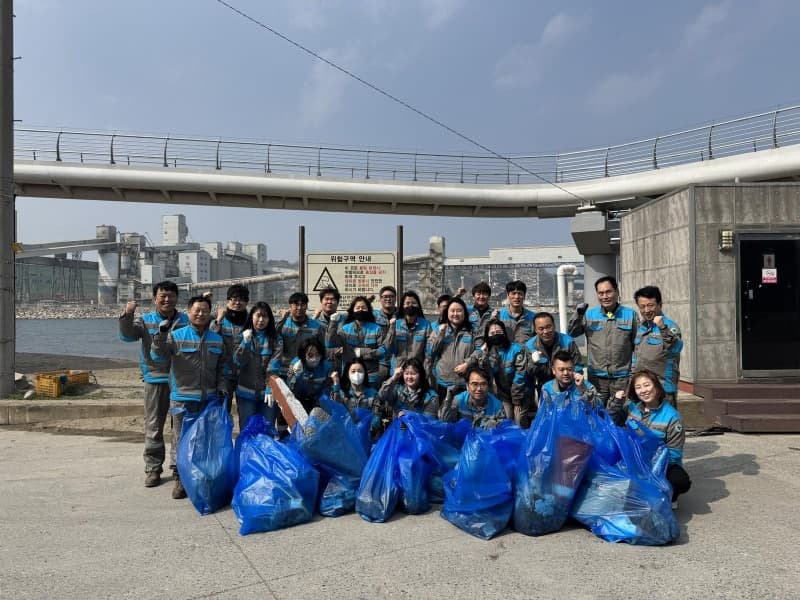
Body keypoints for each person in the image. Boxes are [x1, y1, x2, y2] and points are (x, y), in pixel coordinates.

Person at [151, 295, 225, 500]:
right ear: (189, 312)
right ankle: (179, 479)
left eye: (204, 310)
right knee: (180, 440)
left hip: (208, 399)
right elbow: (158, 356)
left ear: (210, 313)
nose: (200, 314)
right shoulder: (176, 336)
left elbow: (221, 369)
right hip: (182, 399)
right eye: (196, 310)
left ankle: (200, 478)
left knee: (203, 440)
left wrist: (222, 388)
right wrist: (160, 335)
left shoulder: (216, 339)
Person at [119, 280, 189, 488]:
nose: (167, 299)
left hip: (180, 381)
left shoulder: (186, 320)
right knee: (154, 426)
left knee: (180, 429)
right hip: (155, 379)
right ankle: (153, 469)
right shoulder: (146, 320)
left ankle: (178, 470)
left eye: (171, 296)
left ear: (177, 298)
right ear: (155, 299)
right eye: (162, 296)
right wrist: (128, 315)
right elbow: (127, 335)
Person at [608, 369, 692, 505]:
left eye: (647, 385)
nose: (643, 390)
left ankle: (671, 496)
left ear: (657, 387)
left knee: (680, 480)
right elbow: (611, 422)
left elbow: (674, 454)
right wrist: (616, 402)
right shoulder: (631, 408)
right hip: (632, 459)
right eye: (638, 387)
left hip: (660, 465)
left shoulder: (673, 417)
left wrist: (649, 466)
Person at [568, 275, 638, 406]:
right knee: (596, 412)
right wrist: (578, 314)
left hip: (622, 378)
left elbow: (637, 346)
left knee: (620, 413)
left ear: (617, 292)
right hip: (596, 378)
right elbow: (572, 333)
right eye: (601, 293)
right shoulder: (589, 315)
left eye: (608, 292)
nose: (605, 296)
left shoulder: (631, 315)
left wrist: (632, 373)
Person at [232, 302, 283, 430]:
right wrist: (245, 343)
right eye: (258, 316)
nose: (261, 320)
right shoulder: (242, 336)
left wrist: (270, 387)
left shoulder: (276, 339)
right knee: (247, 429)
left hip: (268, 394)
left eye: (265, 317)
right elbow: (238, 361)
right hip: (246, 393)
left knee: (267, 429)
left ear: (269, 319)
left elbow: (274, 365)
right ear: (251, 317)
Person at [632, 286, 683, 406]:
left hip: (663, 390)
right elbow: (636, 357)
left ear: (660, 305)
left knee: (664, 423)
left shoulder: (669, 326)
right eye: (642, 306)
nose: (646, 310)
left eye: (650, 305)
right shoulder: (642, 327)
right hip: (642, 390)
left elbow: (676, 348)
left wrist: (662, 328)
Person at [474, 319, 531, 426]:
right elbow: (485, 373)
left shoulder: (517, 349)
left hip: (521, 394)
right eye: (492, 333)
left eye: (499, 332)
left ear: (504, 333)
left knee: (520, 422)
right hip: (502, 395)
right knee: (506, 421)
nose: (496, 335)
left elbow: (520, 375)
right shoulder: (489, 352)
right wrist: (484, 355)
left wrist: (517, 400)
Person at [327, 296, 387, 386]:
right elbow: (330, 343)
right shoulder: (345, 329)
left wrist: (362, 352)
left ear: (368, 310)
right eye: (357, 308)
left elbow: (383, 351)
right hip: (349, 377)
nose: (360, 310)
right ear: (352, 310)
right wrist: (333, 323)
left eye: (363, 308)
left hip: (371, 379)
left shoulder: (376, 329)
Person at [427, 296, 478, 401]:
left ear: (464, 313)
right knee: (444, 414)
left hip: (466, 382)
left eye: (459, 311)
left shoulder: (473, 330)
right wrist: (440, 334)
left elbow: (480, 351)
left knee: (464, 414)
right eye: (452, 311)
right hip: (443, 382)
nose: (455, 314)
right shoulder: (438, 330)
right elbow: (430, 352)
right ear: (447, 313)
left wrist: (467, 364)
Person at [525, 311, 582, 399]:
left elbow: (578, 365)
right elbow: (529, 372)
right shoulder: (530, 346)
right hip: (544, 386)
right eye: (541, 328)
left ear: (554, 326)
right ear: (535, 330)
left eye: (549, 327)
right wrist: (534, 363)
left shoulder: (568, 341)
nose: (546, 331)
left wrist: (575, 382)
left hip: (568, 385)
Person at [209, 284, 250, 402]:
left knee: (245, 411)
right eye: (234, 299)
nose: (237, 302)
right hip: (224, 375)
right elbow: (211, 338)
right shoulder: (220, 319)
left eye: (242, 299)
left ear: (247, 302)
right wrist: (218, 320)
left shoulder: (251, 320)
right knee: (223, 409)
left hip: (245, 374)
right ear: (228, 301)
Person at [276, 292, 325, 379]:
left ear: (306, 306)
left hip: (307, 372)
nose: (299, 308)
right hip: (285, 371)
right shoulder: (283, 324)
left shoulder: (316, 326)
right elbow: (273, 344)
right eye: (296, 304)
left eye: (302, 304)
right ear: (290, 306)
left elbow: (322, 349)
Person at [441, 366, 506, 429]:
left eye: (483, 384)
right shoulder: (458, 400)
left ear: (488, 386)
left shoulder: (497, 406)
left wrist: (495, 426)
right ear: (467, 386)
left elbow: (503, 432)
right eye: (475, 384)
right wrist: (448, 400)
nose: (479, 389)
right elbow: (445, 423)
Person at [383, 290, 432, 370]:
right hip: (398, 370)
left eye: (414, 303)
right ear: (402, 306)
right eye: (407, 303)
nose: (411, 305)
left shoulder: (426, 325)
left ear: (418, 306)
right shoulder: (396, 324)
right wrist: (392, 328)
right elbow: (387, 348)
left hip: (417, 372)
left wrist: (425, 370)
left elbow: (429, 351)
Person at [333, 358, 382, 439]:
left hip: (367, 435)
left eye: (360, 371)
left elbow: (377, 415)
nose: (357, 374)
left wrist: (370, 429)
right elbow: (336, 408)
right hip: (347, 435)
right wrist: (336, 385)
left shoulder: (372, 393)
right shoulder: (342, 393)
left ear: (365, 374)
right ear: (347, 375)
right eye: (353, 371)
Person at [287, 337, 335, 413]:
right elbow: (289, 388)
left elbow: (327, 389)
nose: (315, 358)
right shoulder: (295, 364)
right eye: (310, 355)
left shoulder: (327, 367)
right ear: (303, 355)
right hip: (297, 400)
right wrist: (296, 376)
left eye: (317, 354)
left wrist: (318, 406)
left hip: (317, 401)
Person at [496, 280, 536, 344]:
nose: (516, 297)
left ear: (524, 296)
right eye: (513, 293)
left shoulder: (533, 317)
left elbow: (537, 339)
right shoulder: (499, 316)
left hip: (525, 353)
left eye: (520, 294)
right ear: (508, 296)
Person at [373, 285, 398, 381]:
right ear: (380, 299)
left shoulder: (401, 316)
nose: (388, 299)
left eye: (391, 296)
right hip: (379, 363)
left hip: (396, 361)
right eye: (385, 296)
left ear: (395, 298)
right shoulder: (374, 316)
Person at [466, 281, 494, 346]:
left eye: (484, 294)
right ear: (473, 296)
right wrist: (458, 295)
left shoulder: (494, 313)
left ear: (489, 296)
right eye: (478, 294)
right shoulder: (467, 311)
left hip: (486, 349)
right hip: (468, 348)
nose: (481, 297)